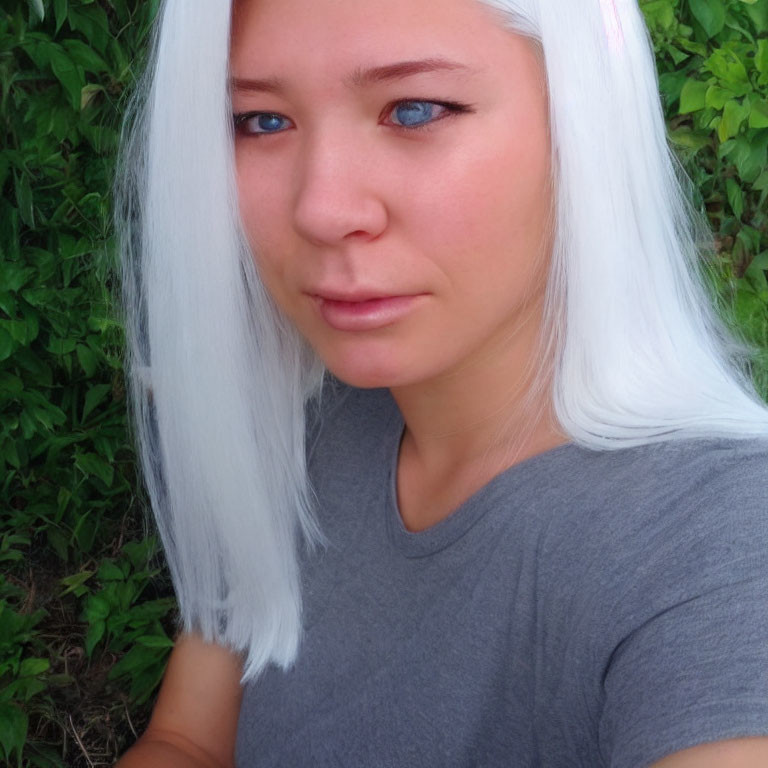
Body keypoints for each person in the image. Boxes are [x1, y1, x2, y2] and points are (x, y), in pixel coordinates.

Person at [114, 0, 768, 765]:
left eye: (415, 110)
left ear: (584, 124)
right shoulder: (311, 424)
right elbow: (189, 739)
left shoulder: (721, 543)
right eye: (259, 121)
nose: (322, 209)